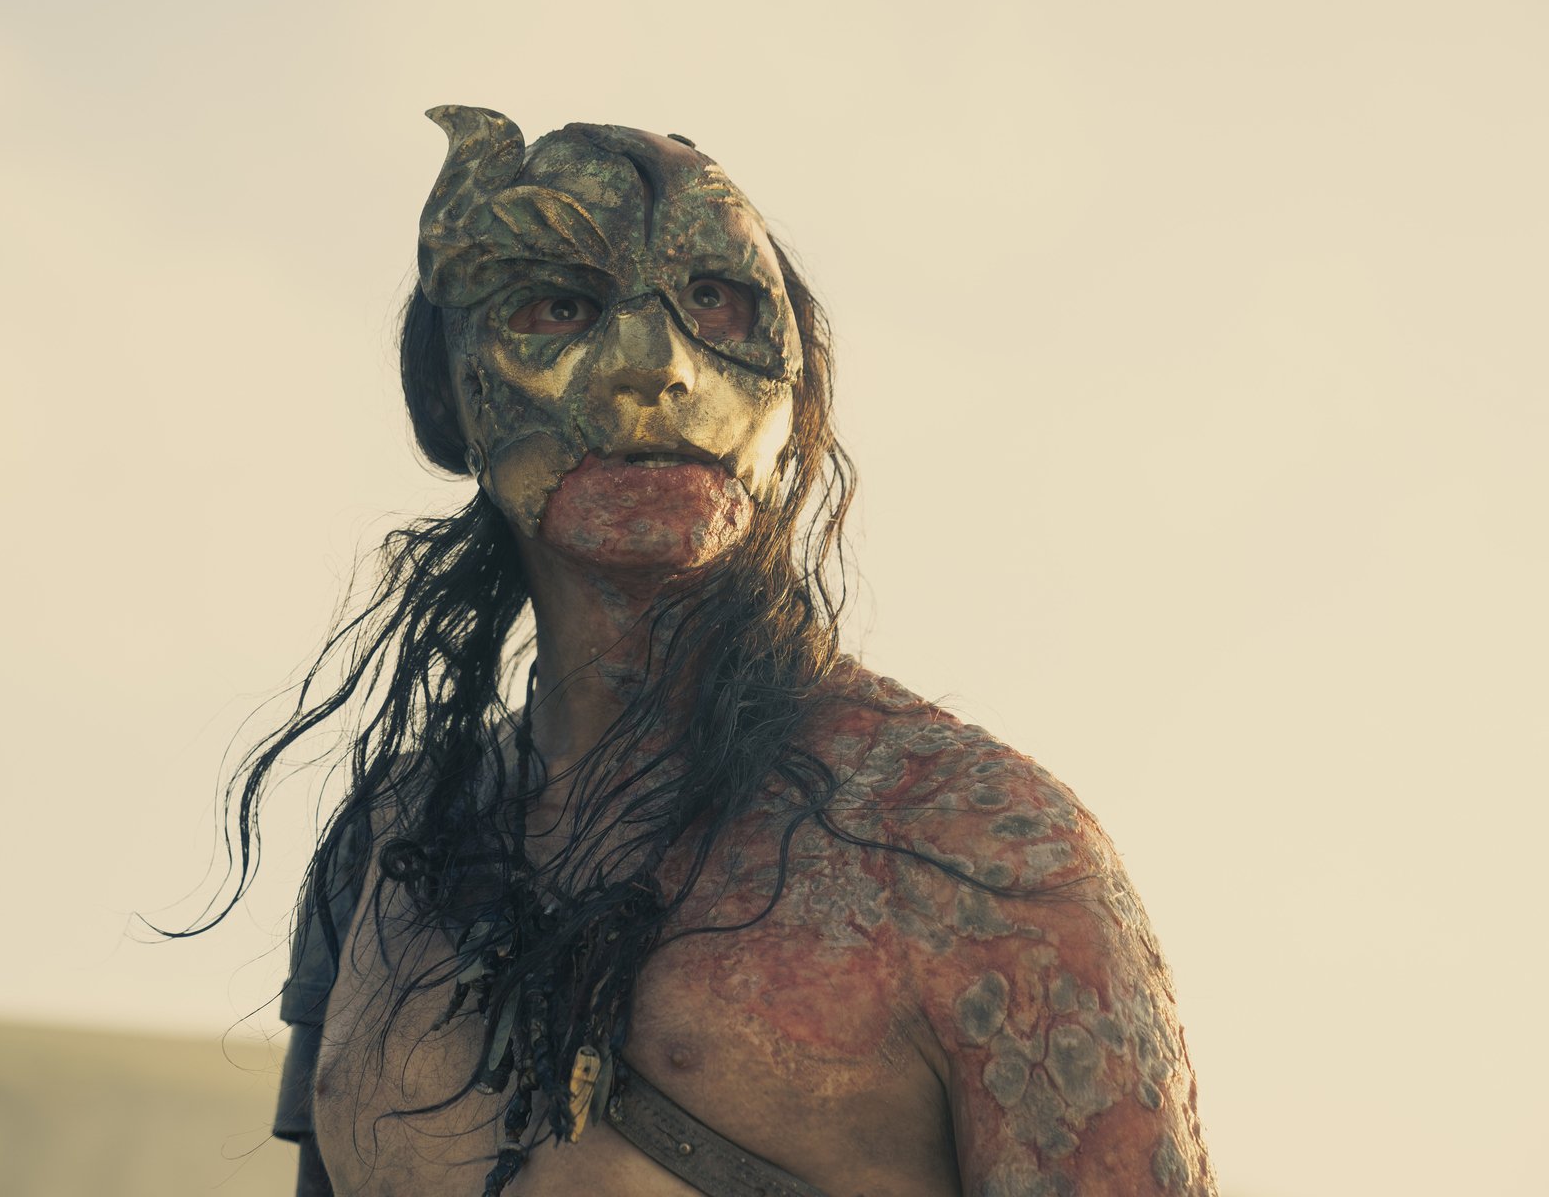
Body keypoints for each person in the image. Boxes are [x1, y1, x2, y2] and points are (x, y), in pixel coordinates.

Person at [227, 106, 1214, 1195]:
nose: (657, 368)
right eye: (559, 305)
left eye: (714, 300)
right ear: (443, 395)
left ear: (796, 391)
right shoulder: (392, 840)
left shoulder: (981, 852)